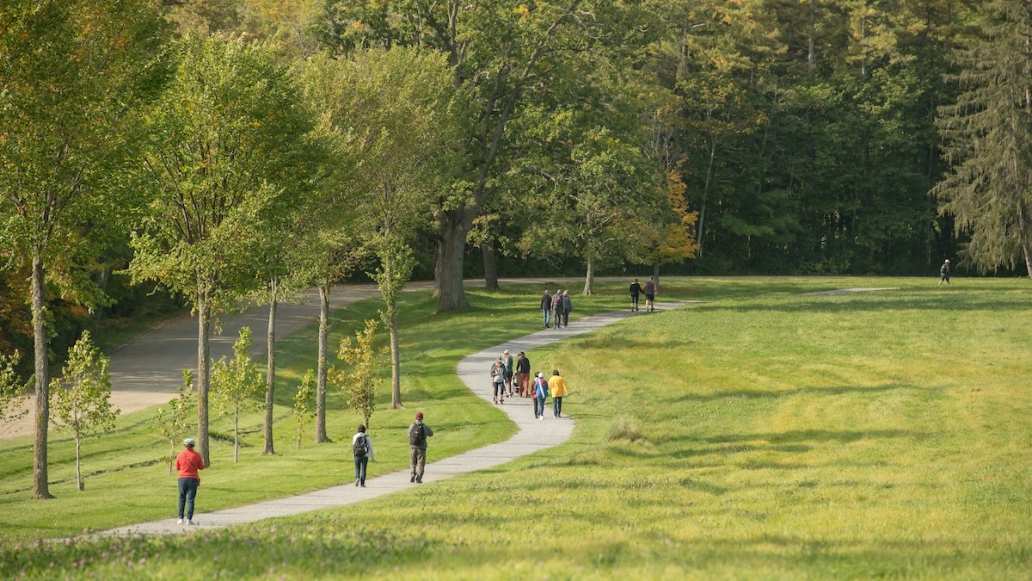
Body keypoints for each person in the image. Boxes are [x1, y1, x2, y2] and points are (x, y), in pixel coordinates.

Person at [175, 438, 205, 525]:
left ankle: (180, 518)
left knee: (181, 498)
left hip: (182, 479)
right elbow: (201, 467)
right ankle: (189, 519)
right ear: (193, 445)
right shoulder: (197, 455)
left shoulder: (180, 455)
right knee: (191, 499)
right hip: (193, 479)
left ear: (184, 445)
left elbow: (177, 468)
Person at [408, 411, 434, 484]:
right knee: (421, 463)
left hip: (413, 447)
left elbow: (408, 434)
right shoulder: (425, 427)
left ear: (415, 418)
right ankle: (418, 478)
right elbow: (431, 433)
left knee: (413, 462)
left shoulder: (412, 426)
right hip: (421, 448)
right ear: (422, 418)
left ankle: (413, 473)